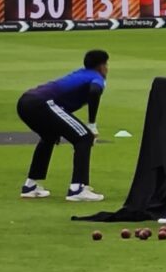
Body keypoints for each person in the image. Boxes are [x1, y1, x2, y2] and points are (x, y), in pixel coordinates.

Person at [17, 50, 109, 202]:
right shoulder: (96, 77)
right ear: (101, 66)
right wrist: (92, 124)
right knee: (85, 138)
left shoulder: (81, 73)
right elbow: (94, 92)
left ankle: (30, 186)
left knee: (49, 137)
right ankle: (77, 188)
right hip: (42, 103)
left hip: (25, 102)